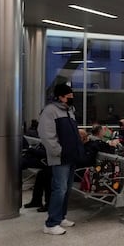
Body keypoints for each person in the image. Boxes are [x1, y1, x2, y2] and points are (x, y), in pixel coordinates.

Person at [38, 83, 85, 235]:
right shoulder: (50, 111)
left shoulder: (69, 111)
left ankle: (61, 217)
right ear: (60, 97)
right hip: (60, 158)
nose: (71, 99)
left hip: (71, 157)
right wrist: (58, 151)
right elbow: (46, 134)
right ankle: (51, 223)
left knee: (66, 189)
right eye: (69, 97)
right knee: (60, 189)